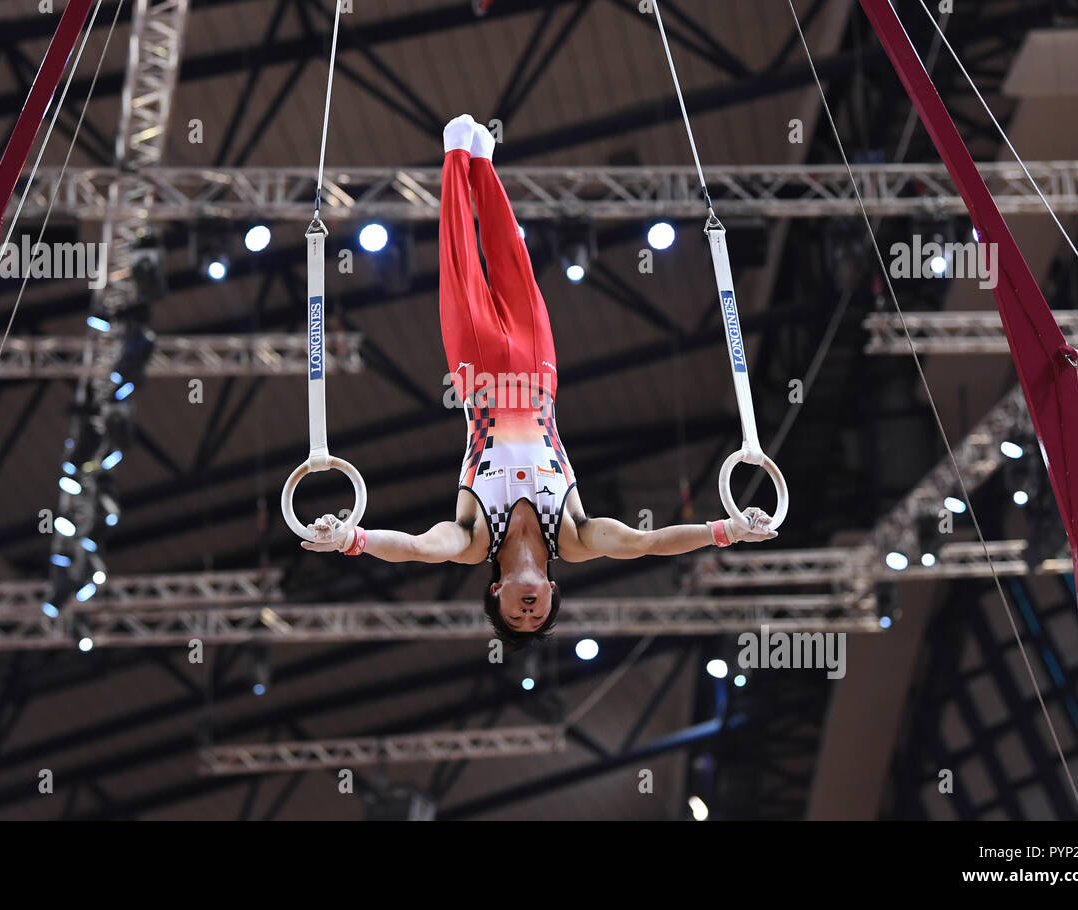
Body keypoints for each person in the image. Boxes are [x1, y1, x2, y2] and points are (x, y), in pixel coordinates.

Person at [303, 114, 777, 649]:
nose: (528, 611)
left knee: (463, 268)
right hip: (539, 377)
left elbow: (415, 548)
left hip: (478, 376)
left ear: (495, 591)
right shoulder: (573, 537)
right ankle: (484, 164)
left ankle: (457, 158)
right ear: (552, 589)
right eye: (538, 615)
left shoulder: (472, 540)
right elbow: (647, 542)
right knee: (514, 262)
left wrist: (352, 538)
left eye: (516, 616)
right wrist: (725, 531)